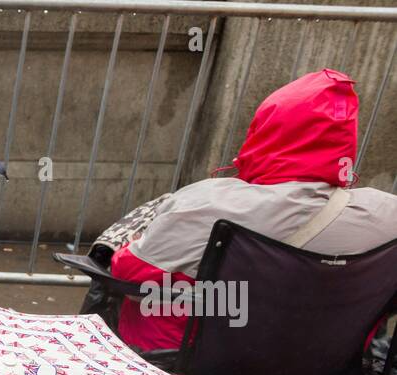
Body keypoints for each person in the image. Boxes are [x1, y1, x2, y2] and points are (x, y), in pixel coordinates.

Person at [109, 69, 397, 353]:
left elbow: (129, 274)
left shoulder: (209, 202)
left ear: (265, 132)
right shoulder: (386, 213)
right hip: (323, 367)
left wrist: (129, 244)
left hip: (186, 363)